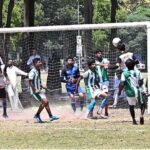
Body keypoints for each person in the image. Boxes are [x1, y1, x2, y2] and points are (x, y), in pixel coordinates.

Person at [28, 58, 59, 123]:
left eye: (40, 62)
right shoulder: (32, 71)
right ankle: (37, 115)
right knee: (45, 102)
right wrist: (35, 89)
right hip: (35, 92)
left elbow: (38, 80)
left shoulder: (38, 70)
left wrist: (42, 86)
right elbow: (30, 82)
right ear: (35, 64)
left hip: (40, 90)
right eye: (39, 62)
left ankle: (51, 116)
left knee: (46, 102)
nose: (40, 63)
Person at [118, 59, 146, 125]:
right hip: (138, 91)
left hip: (129, 92)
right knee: (143, 104)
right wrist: (142, 88)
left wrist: (119, 91)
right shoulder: (138, 72)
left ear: (126, 66)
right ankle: (141, 115)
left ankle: (133, 120)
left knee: (131, 106)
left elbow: (122, 84)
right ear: (134, 65)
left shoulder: (124, 73)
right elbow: (141, 82)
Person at [95, 50, 109, 116]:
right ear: (96, 54)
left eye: (101, 53)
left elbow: (106, 66)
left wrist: (104, 65)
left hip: (105, 80)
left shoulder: (105, 60)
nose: (100, 54)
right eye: (98, 53)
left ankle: (103, 111)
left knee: (106, 96)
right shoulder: (94, 62)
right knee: (95, 97)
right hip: (97, 82)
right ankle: (90, 112)